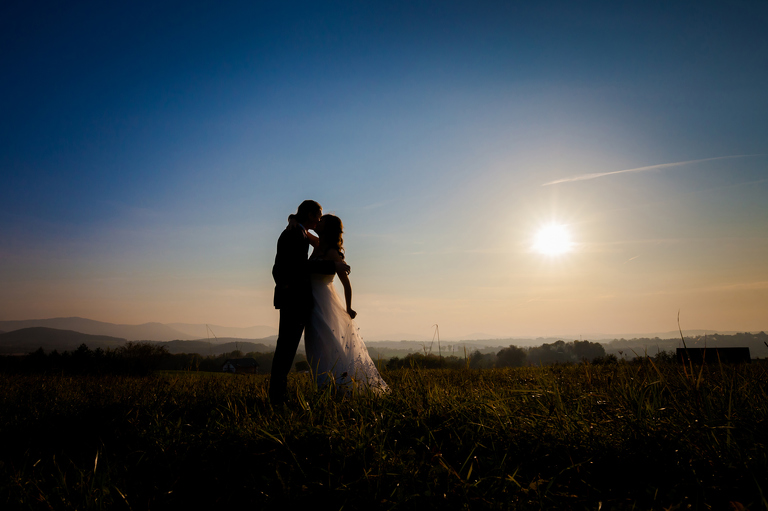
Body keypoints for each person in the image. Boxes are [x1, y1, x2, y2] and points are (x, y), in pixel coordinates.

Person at [269, 200, 350, 406]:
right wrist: (334, 265)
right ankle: (278, 398)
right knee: (286, 350)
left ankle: (279, 395)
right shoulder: (295, 233)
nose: (320, 219)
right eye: (319, 215)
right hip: (293, 300)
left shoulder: (301, 232)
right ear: (311, 215)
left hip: (301, 301)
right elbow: (298, 267)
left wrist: (292, 218)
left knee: (287, 350)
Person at [303, 214, 389, 395]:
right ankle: (324, 386)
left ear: (328, 228)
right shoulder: (318, 244)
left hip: (325, 302)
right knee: (314, 344)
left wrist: (349, 307)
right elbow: (303, 231)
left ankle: (339, 388)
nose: (318, 222)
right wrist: (293, 220)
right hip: (312, 301)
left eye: (322, 221)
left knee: (326, 342)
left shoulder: (332, 252)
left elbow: (346, 283)